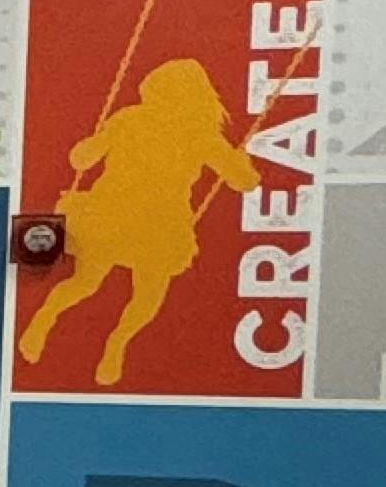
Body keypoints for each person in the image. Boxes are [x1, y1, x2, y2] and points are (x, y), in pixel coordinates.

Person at [16, 56, 259, 388]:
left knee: (91, 284)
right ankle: (102, 338)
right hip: (140, 221)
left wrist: (88, 149)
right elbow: (244, 182)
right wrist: (241, 163)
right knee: (135, 293)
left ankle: (75, 329)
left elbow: (79, 159)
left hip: (127, 219)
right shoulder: (191, 135)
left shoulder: (139, 121)